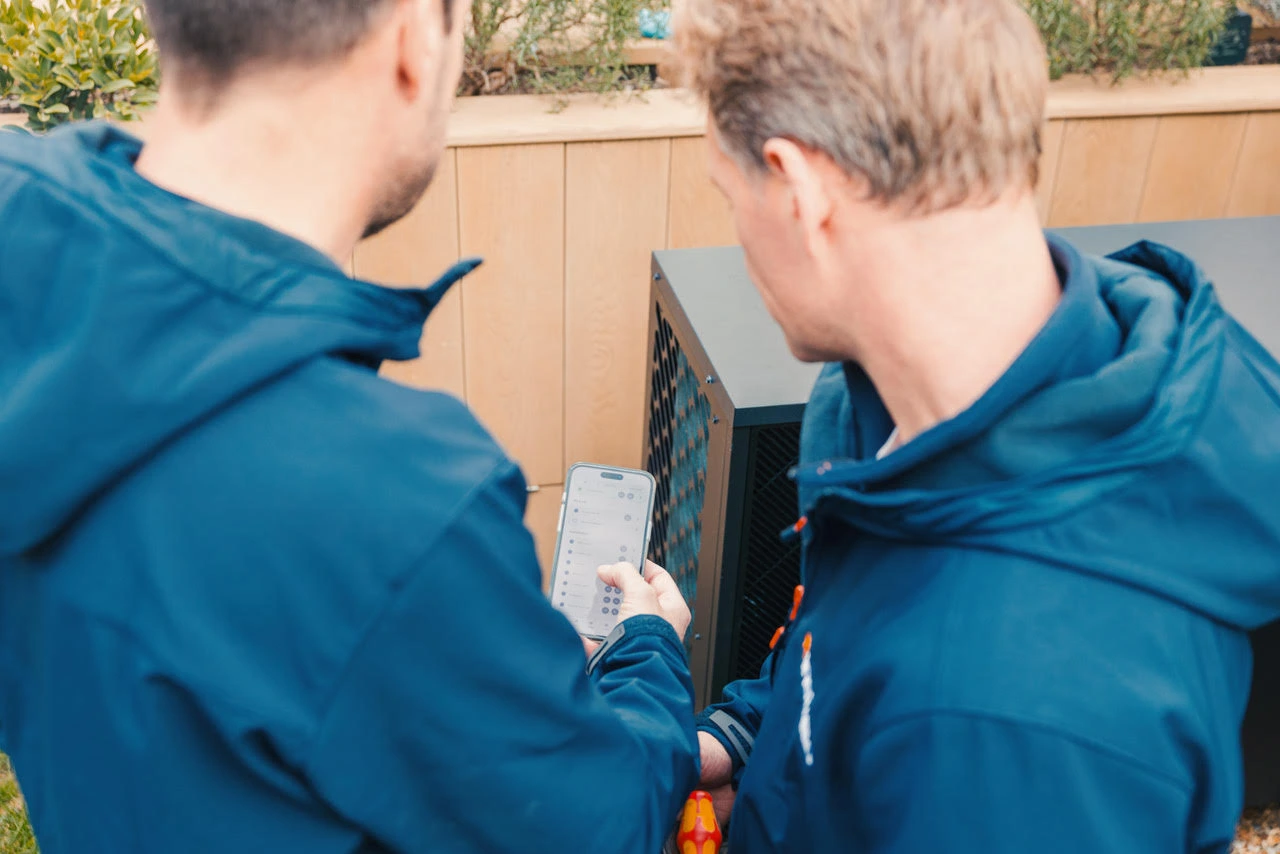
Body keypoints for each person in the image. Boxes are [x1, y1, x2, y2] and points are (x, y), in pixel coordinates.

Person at [0, 0, 699, 851]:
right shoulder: (401, 502)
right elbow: (603, 823)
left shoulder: (23, 253)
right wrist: (649, 649)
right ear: (411, 39)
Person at [671, 0, 1280, 851]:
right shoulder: (916, 404)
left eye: (729, 196)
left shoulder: (1009, 731)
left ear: (800, 190)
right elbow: (847, 649)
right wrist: (752, 746)